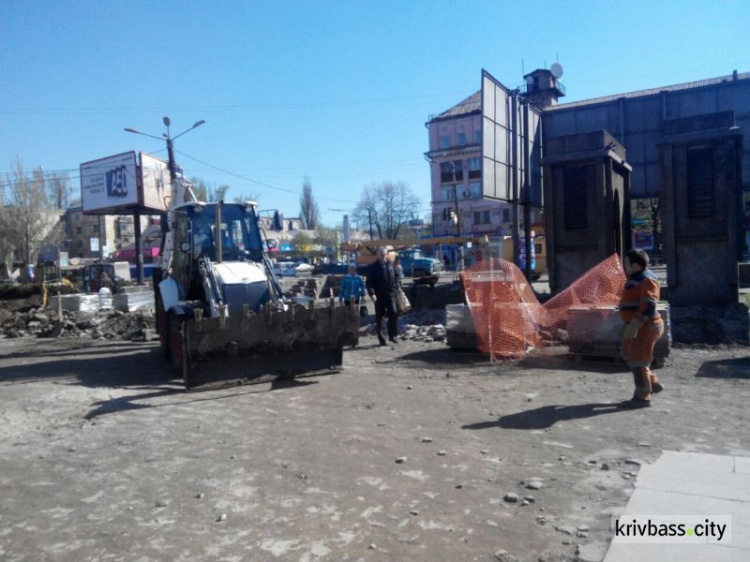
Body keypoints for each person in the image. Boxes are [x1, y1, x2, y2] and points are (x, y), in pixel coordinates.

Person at [618, 249, 664, 408]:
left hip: (645, 327)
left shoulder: (646, 280)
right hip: (636, 326)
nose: (624, 266)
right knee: (627, 354)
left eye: (626, 263)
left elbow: (649, 305)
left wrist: (635, 325)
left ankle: (642, 396)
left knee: (639, 362)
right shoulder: (636, 278)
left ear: (635, 265)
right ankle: (653, 382)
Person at [366, 246, 403, 346]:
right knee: (380, 318)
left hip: (391, 294)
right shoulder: (373, 267)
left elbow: (397, 276)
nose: (383, 256)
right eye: (381, 254)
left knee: (394, 313)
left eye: (384, 254)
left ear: (386, 254)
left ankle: (393, 336)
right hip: (379, 296)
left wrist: (397, 286)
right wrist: (372, 294)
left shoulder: (391, 264)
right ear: (377, 255)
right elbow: (369, 282)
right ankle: (382, 339)